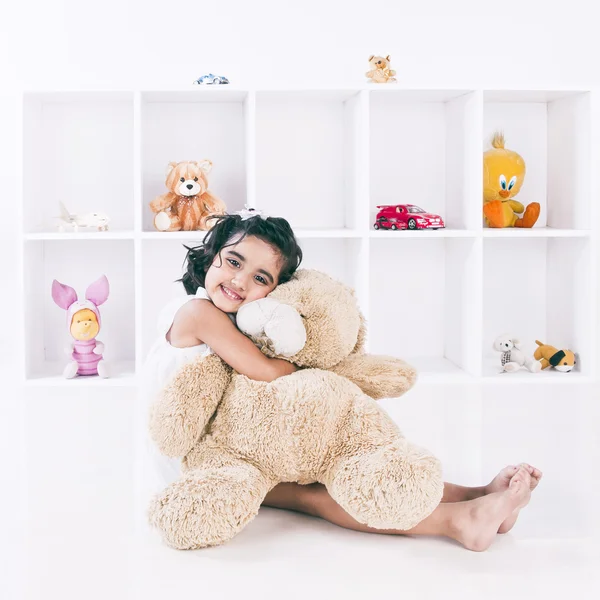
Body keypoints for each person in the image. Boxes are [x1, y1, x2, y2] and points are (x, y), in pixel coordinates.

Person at [140, 209, 542, 551]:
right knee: (313, 494)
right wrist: (316, 372)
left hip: (236, 438)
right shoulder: (197, 312)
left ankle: (475, 496)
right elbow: (265, 370)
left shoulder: (237, 318)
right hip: (195, 457)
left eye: (261, 278)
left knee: (338, 467)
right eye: (233, 261)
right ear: (210, 258)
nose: (240, 280)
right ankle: (458, 522)